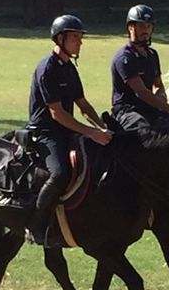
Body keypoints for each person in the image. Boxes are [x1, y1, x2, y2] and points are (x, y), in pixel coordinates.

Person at [26, 14, 112, 245]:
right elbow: (56, 113)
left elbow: (82, 105)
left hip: (66, 130)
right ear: (60, 38)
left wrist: (103, 127)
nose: (80, 42)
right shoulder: (48, 68)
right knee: (59, 173)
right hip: (46, 132)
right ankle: (35, 225)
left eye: (80, 37)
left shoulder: (69, 69)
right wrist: (91, 132)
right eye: (75, 37)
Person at [111, 4, 169, 132]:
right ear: (131, 27)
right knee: (145, 129)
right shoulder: (124, 57)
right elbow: (141, 92)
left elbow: (158, 85)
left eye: (149, 26)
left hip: (149, 107)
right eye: (142, 26)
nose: (146, 30)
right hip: (127, 111)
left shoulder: (152, 55)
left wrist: (161, 96)